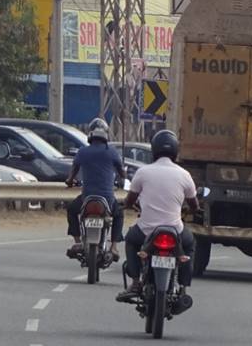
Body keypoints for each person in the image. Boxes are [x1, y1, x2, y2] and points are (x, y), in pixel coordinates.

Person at [116, 129, 198, 301]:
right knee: (190, 243)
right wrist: (189, 210)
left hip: (146, 231)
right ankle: (183, 287)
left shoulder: (143, 172)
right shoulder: (184, 174)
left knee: (131, 240)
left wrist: (130, 206)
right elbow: (194, 205)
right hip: (175, 230)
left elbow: (130, 201)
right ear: (176, 151)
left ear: (154, 149)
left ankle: (136, 282)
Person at [65, 118, 126, 259]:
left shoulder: (82, 152)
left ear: (90, 134)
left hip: (87, 197)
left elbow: (72, 172)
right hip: (108, 200)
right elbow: (122, 173)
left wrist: (69, 181)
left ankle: (78, 242)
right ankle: (114, 247)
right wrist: (119, 179)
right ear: (106, 135)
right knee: (119, 214)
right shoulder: (112, 152)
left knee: (71, 210)